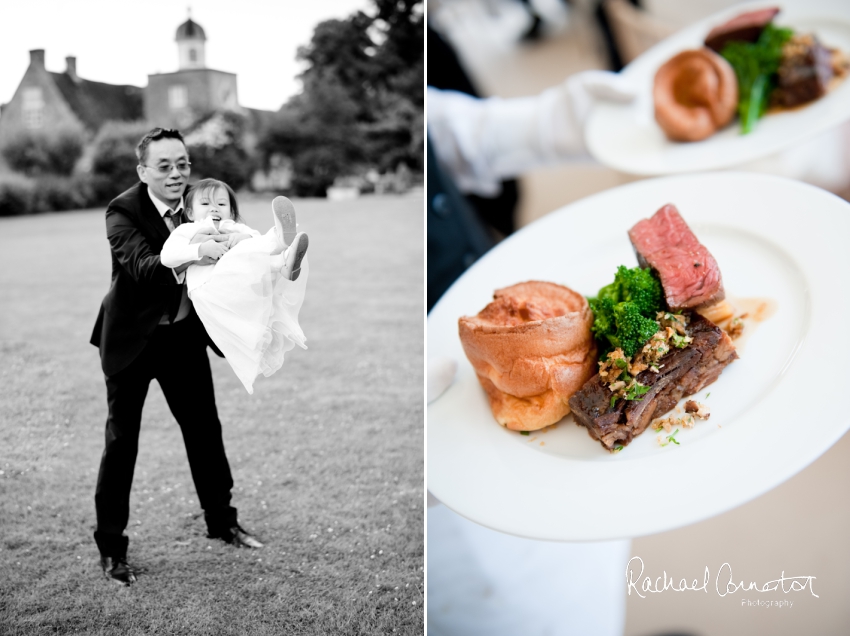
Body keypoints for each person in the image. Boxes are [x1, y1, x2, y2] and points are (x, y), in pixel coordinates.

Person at [90, 128, 262, 587]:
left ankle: (222, 522)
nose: (176, 173)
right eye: (164, 166)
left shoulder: (199, 204)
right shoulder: (122, 210)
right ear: (143, 170)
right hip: (132, 340)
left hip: (183, 336)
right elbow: (144, 268)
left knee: (205, 429)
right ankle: (111, 547)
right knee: (121, 441)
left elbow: (237, 257)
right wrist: (198, 253)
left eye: (182, 163)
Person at [160, 179, 309, 394]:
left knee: (250, 247)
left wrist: (244, 237)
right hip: (208, 288)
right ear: (190, 212)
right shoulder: (187, 230)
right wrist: (200, 249)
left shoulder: (235, 227)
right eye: (206, 204)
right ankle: (279, 247)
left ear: (231, 211)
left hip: (238, 285)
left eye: (221, 204)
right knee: (242, 254)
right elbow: (167, 256)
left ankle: (283, 256)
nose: (214, 208)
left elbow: (254, 246)